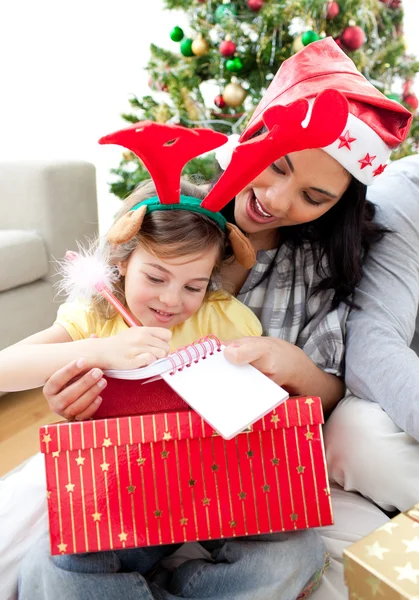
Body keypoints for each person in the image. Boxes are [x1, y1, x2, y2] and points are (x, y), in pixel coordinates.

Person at [17, 37, 413, 599]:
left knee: (295, 555)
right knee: (52, 564)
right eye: (274, 166)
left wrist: (297, 368)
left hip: (240, 479)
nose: (276, 199)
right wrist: (74, 384)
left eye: (314, 195)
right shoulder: (166, 212)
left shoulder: (300, 278)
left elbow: (327, 398)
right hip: (129, 470)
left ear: (339, 205)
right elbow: (69, 343)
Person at [7, 155, 329, 597]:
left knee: (298, 552)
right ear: (122, 263)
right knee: (51, 568)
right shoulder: (94, 319)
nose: (171, 300)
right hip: (118, 501)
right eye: (155, 277)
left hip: (216, 493)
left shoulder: (227, 318)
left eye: (193, 286)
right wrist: (100, 351)